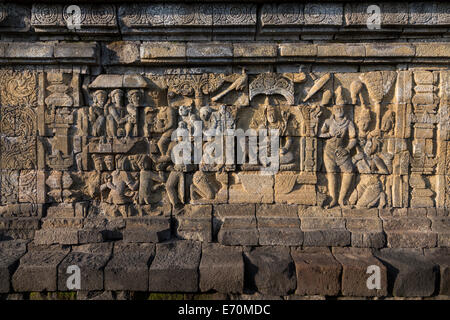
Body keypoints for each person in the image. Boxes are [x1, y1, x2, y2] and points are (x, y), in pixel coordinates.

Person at [319, 104, 357, 208]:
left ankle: (342, 198)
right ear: (333, 110)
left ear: (344, 109)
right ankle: (333, 199)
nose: (339, 110)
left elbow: (353, 139)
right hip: (329, 151)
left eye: (341, 108)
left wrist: (347, 149)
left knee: (349, 171)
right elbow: (320, 134)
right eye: (336, 108)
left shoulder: (348, 123)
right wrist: (330, 135)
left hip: (342, 151)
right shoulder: (328, 122)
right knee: (331, 173)